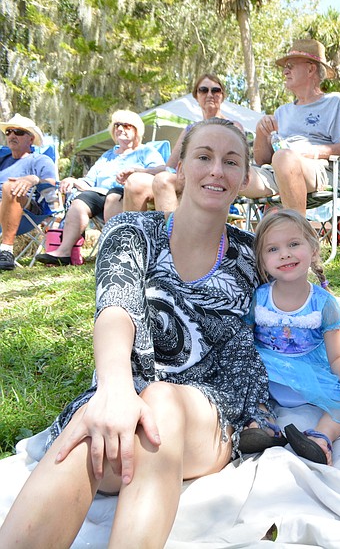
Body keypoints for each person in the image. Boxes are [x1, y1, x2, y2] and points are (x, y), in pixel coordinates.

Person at [0, 118, 270, 548]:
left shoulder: (254, 254)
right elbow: (116, 307)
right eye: (204, 157)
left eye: (231, 161)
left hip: (211, 409)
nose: (217, 170)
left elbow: (310, 306)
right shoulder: (133, 231)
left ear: (243, 177)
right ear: (179, 168)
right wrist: (113, 389)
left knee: (160, 405)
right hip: (127, 388)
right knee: (96, 429)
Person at [239, 209, 340, 465]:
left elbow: (338, 354)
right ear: (261, 260)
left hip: (309, 374)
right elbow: (246, 343)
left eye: (294, 244)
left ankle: (320, 439)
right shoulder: (259, 298)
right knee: (247, 386)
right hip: (270, 375)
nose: (284, 254)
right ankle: (263, 425)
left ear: (314, 250)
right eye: (272, 249)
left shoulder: (323, 304)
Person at [239, 38, 340, 216]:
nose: (285, 71)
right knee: (230, 173)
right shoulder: (282, 111)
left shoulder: (335, 102)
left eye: (290, 65)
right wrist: (261, 132)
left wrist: (311, 151)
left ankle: (299, 232)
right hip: (276, 172)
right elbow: (262, 160)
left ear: (311, 68)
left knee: (284, 158)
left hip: (319, 169)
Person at [35, 110, 164, 266]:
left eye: (126, 125)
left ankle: (117, 252)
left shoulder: (146, 151)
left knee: (113, 197)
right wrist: (73, 180)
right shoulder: (109, 155)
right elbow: (89, 181)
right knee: (79, 202)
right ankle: (64, 252)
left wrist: (137, 171)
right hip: (99, 194)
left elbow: (162, 170)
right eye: (117, 125)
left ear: (137, 130)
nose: (120, 129)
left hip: (125, 194)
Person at [121, 73, 244, 213]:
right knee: (135, 182)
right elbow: (169, 168)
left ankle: (172, 233)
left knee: (163, 181)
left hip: (212, 181)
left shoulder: (232, 127)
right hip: (183, 181)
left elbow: (238, 165)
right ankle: (134, 233)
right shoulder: (190, 130)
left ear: (222, 96)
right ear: (196, 96)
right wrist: (141, 171)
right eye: (203, 90)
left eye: (215, 90)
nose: (210, 94)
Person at [0, 114, 57, 270]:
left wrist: (34, 179)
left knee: (10, 187)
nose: (12, 135)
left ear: (30, 139)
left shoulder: (40, 160)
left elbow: (52, 186)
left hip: (26, 208)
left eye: (18, 132)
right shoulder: (2, 161)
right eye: (9, 132)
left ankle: (6, 251)